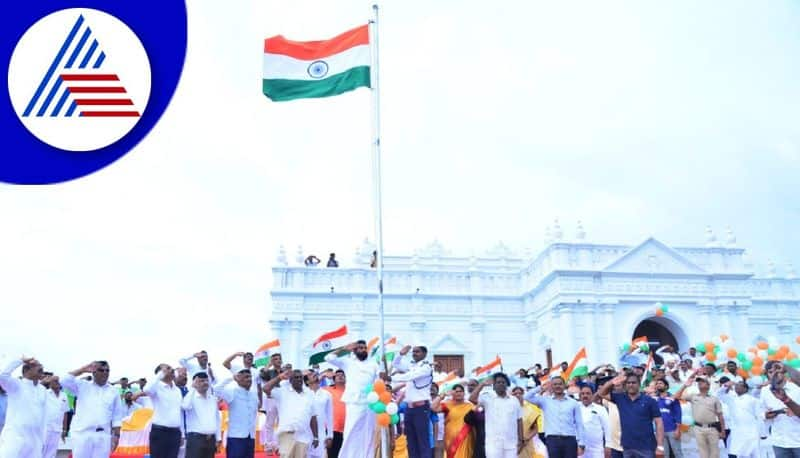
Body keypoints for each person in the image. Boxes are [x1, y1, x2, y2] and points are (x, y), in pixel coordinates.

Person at [325, 340, 382, 458]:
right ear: (355, 350)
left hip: (369, 404)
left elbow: (379, 382)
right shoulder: (348, 362)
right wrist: (344, 348)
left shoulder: (373, 364)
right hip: (354, 402)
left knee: (367, 434)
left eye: (364, 348)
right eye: (360, 348)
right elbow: (328, 357)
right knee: (351, 431)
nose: (363, 350)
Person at [598, 372, 664, 458]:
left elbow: (659, 423)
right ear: (625, 385)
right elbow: (601, 393)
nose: (631, 385)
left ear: (639, 384)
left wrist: (660, 446)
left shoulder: (650, 401)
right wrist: (612, 382)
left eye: (633, 382)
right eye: (628, 383)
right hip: (628, 447)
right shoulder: (620, 398)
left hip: (647, 447)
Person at [388, 345, 434, 458]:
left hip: (421, 408)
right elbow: (396, 364)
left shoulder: (426, 367)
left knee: (422, 441)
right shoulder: (412, 365)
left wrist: (391, 378)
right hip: (409, 409)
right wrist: (401, 354)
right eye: (413, 352)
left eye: (417, 352)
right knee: (411, 441)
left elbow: (410, 376)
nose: (414, 354)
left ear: (424, 354)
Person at [524, 376, 585, 458]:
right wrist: (541, 388)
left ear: (564, 385)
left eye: (560, 384)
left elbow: (579, 423)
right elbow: (527, 397)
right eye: (555, 384)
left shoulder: (573, 403)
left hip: (570, 440)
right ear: (551, 386)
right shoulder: (545, 401)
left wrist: (581, 443)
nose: (557, 386)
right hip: (552, 440)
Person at [262, 369, 319, 457]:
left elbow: (313, 417)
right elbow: (265, 388)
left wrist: (315, 436)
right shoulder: (282, 392)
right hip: (286, 435)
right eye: (296, 377)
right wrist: (279, 377)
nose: (299, 379)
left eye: (301, 377)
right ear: (290, 380)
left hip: (303, 436)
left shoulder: (309, 394)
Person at [0, 356, 47, 458]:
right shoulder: (16, 385)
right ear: (26, 370)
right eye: (36, 365)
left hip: (35, 440)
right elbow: (2, 376)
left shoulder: (42, 390)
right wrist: (21, 360)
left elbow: (43, 416)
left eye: (41, 365)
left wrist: (43, 439)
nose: (41, 368)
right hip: (16, 437)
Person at [470, 373, 523, 458]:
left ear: (507, 385)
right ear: (493, 386)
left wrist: (521, 439)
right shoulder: (487, 398)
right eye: (498, 382)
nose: (501, 384)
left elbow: (519, 420)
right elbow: (472, 398)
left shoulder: (514, 401)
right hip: (493, 444)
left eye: (503, 382)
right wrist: (482, 384)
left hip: (511, 444)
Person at [674, 371, 726, 458]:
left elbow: (720, 416)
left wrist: (723, 431)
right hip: (698, 428)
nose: (700, 383)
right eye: (699, 382)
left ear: (708, 385)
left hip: (712, 428)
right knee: (703, 453)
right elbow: (676, 397)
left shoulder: (714, 399)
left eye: (702, 381)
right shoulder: (693, 396)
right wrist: (685, 386)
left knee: (714, 453)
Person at [759, 361, 800, 458]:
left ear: (783, 371)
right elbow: (760, 413)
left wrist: (794, 411)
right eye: (770, 372)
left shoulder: (796, 388)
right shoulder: (765, 391)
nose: (774, 374)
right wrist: (766, 415)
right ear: (767, 374)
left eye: (777, 370)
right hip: (779, 441)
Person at [215, 369, 259, 458]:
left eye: (250, 377)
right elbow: (216, 389)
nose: (249, 379)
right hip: (236, 437)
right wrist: (231, 378)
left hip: (250, 437)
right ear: (238, 379)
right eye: (246, 377)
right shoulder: (232, 392)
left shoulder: (254, 394)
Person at [144, 363, 184, 458]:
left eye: (171, 367)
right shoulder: (156, 387)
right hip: (160, 432)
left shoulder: (177, 390)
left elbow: (179, 413)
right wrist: (160, 375)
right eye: (168, 368)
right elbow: (146, 390)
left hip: (175, 433)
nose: (172, 369)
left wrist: (181, 433)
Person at [181, 372, 221, 458]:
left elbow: (217, 419)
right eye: (201, 381)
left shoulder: (213, 399)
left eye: (206, 380)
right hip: (196, 439)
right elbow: (185, 406)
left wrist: (218, 438)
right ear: (195, 383)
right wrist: (192, 388)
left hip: (211, 440)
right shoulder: (191, 397)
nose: (205, 383)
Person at [718, 380, 761, 458]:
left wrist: (763, 432)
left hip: (750, 432)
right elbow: (719, 394)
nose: (736, 386)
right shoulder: (731, 399)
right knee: (733, 452)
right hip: (735, 432)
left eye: (739, 385)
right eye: (736, 385)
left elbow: (759, 417)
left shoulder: (753, 400)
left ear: (745, 389)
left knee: (749, 453)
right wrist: (725, 386)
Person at [432, 383, 474, 458]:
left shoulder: (470, 406)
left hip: (466, 438)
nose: (458, 393)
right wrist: (442, 395)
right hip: (450, 440)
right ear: (452, 393)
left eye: (460, 391)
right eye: (456, 391)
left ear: (464, 393)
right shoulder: (447, 404)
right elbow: (433, 408)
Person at [306, 371, 334, 458]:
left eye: (314, 374)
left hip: (321, 433)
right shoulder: (303, 393)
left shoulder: (326, 394)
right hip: (305, 433)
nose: (314, 375)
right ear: (307, 381)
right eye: (310, 375)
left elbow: (330, 416)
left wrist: (330, 435)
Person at [577, 385, 609, 458]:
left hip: (596, 449)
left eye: (588, 393)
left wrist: (608, 445)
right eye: (583, 393)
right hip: (580, 448)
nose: (585, 396)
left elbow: (607, 428)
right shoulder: (575, 407)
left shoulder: (600, 409)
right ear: (580, 396)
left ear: (592, 395)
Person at [512, 385, 544, 458]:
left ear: (523, 394)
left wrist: (526, 439)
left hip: (527, 441)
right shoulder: (508, 410)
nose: (518, 395)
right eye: (515, 394)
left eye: (520, 393)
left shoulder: (530, 409)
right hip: (513, 442)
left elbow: (535, 428)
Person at [653, 379, 682, 458]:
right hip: (659, 432)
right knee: (665, 454)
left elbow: (678, 414)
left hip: (672, 429)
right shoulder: (654, 399)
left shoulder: (672, 398)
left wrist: (678, 429)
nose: (658, 385)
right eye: (657, 383)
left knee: (677, 453)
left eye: (661, 383)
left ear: (666, 386)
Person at [41, 375, 68, 458]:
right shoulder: (45, 393)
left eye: (58, 381)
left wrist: (64, 429)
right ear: (50, 383)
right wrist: (42, 382)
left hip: (57, 429)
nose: (57, 382)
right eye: (55, 381)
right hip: (45, 428)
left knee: (52, 453)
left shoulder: (64, 395)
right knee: (41, 450)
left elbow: (65, 413)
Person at [325, 369, 347, 458]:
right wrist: (323, 375)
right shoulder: (327, 390)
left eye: (342, 375)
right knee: (333, 455)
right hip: (333, 430)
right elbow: (311, 387)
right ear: (333, 379)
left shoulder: (351, 390)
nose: (340, 376)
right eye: (338, 375)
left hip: (348, 429)